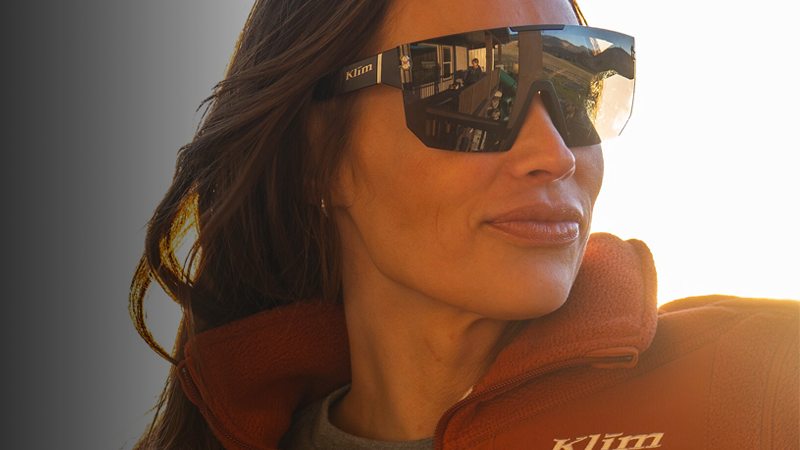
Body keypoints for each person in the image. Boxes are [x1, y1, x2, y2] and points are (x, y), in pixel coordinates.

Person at [129, 0, 798, 449]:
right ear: (316, 157)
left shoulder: (763, 384)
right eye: (474, 90)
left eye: (576, 87)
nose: (555, 154)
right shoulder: (224, 430)